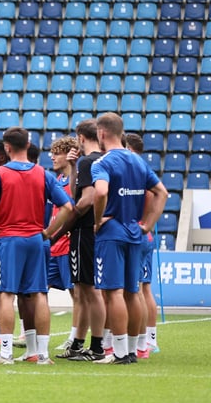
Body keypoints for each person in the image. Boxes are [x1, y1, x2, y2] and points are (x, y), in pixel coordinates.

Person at [0, 127, 74, 365]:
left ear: (7, 148)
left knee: (7, 295)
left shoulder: (0, 174)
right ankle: (42, 354)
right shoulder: (43, 174)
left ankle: (6, 353)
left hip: (9, 240)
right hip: (36, 240)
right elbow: (68, 207)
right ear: (28, 146)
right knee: (39, 294)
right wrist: (49, 232)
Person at [90, 113, 167, 364]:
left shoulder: (102, 163)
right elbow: (161, 192)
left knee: (113, 293)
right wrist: (148, 225)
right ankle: (133, 349)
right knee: (133, 292)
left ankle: (120, 352)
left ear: (102, 133)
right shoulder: (138, 161)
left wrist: (98, 218)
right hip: (135, 232)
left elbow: (100, 191)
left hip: (112, 233)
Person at [57, 120, 108, 362]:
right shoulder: (98, 159)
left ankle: (97, 347)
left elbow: (86, 198)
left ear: (80, 137)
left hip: (83, 231)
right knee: (82, 290)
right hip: (93, 231)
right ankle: (79, 342)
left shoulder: (90, 161)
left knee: (89, 290)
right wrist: (74, 166)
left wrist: (68, 220)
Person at [124, 133, 160, 359]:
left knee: (139, 288)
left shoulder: (136, 170)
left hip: (138, 235)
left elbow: (154, 195)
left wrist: (145, 224)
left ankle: (146, 341)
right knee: (142, 287)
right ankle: (148, 340)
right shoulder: (141, 169)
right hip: (142, 233)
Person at [44, 136, 78, 349]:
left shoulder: (76, 181)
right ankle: (36, 337)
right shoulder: (57, 181)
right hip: (53, 245)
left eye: (57, 153)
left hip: (67, 245)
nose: (53, 157)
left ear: (68, 155)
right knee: (38, 289)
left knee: (77, 295)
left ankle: (74, 338)